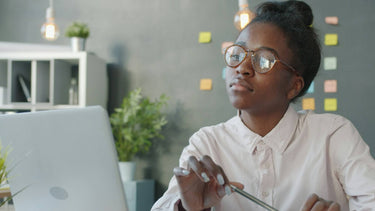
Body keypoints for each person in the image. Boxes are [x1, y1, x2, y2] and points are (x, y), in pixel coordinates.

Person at [151, 1, 375, 210]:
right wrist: (187, 207)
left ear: (294, 86)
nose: (242, 68)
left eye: (264, 60)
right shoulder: (206, 146)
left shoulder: (332, 135)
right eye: (238, 53)